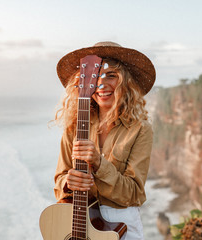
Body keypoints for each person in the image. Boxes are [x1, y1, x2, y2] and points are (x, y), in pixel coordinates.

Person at [53, 41, 156, 240]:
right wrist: (68, 183)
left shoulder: (140, 129)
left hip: (122, 225)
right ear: (85, 82)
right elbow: (59, 181)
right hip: (77, 222)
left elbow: (134, 194)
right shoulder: (74, 126)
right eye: (96, 76)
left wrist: (100, 164)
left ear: (125, 81)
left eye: (111, 75)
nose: (101, 84)